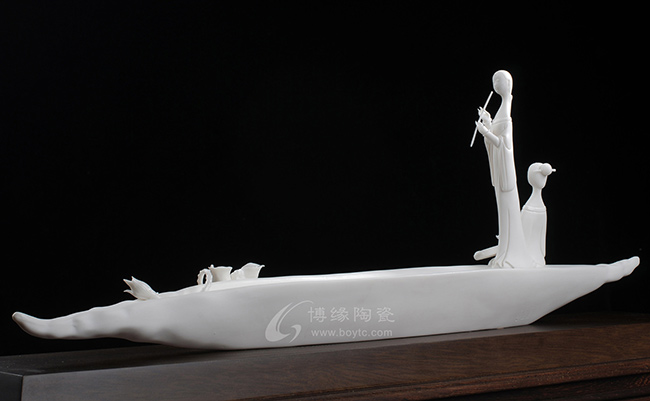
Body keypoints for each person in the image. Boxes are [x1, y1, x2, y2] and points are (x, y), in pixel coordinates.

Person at [474, 70, 534, 268]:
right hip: (500, 173)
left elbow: (503, 144)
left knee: (508, 208)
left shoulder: (506, 113)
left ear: (508, 83)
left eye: (498, 80)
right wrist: (488, 122)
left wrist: (485, 132)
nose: (495, 83)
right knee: (502, 209)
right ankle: (505, 251)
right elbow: (495, 139)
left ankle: (512, 254)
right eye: (493, 80)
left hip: (505, 173)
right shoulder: (502, 110)